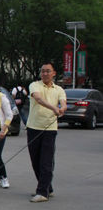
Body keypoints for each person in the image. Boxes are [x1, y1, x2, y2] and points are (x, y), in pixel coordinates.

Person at [27, 63, 67, 202]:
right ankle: (47, 187)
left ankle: (42, 192)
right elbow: (38, 99)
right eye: (43, 71)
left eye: (48, 71)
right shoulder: (34, 85)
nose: (45, 74)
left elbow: (64, 103)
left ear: (54, 73)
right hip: (33, 127)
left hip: (50, 130)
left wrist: (62, 108)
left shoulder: (59, 89)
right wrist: (54, 108)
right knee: (35, 161)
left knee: (46, 161)